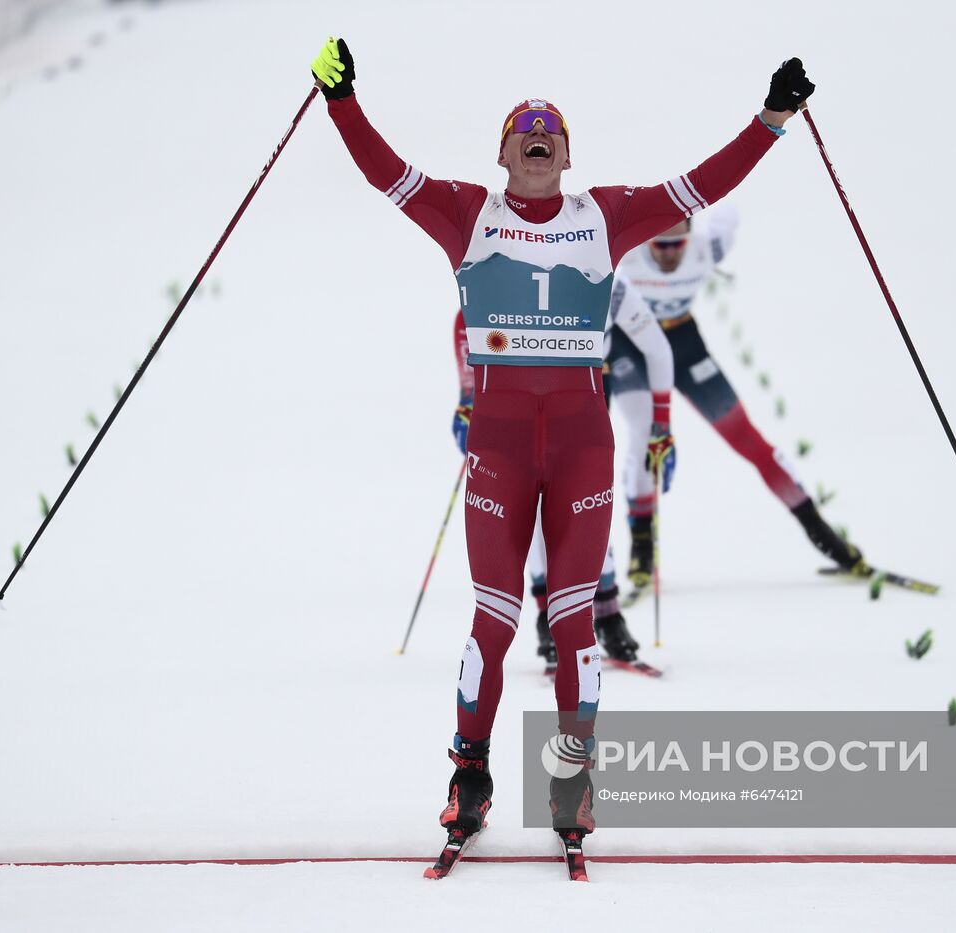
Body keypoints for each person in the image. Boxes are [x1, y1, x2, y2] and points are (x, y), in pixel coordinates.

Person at [310, 36, 815, 852]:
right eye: (524, 129)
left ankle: (573, 783)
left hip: (579, 447)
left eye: (552, 130)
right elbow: (384, 172)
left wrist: (772, 120)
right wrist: (342, 101)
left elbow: (700, 184)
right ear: (504, 152)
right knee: (494, 621)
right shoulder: (468, 214)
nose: (538, 135)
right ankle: (468, 775)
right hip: (501, 451)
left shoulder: (605, 215)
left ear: (567, 154)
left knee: (574, 621)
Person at [609, 204, 867, 585]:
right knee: (643, 439)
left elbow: (728, 206)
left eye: (677, 244)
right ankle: (643, 547)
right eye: (659, 245)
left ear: (691, 236)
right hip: (631, 349)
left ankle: (821, 532)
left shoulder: (709, 246)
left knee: (746, 437)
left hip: (683, 343)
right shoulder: (624, 256)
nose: (668, 253)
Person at [451, 269, 676, 667]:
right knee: (531, 509)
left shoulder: (608, 283)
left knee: (584, 506)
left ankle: (605, 613)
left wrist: (661, 423)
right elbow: (465, 322)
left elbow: (657, 349)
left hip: (578, 405)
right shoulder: (509, 271)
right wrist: (468, 398)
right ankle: (546, 613)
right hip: (513, 407)